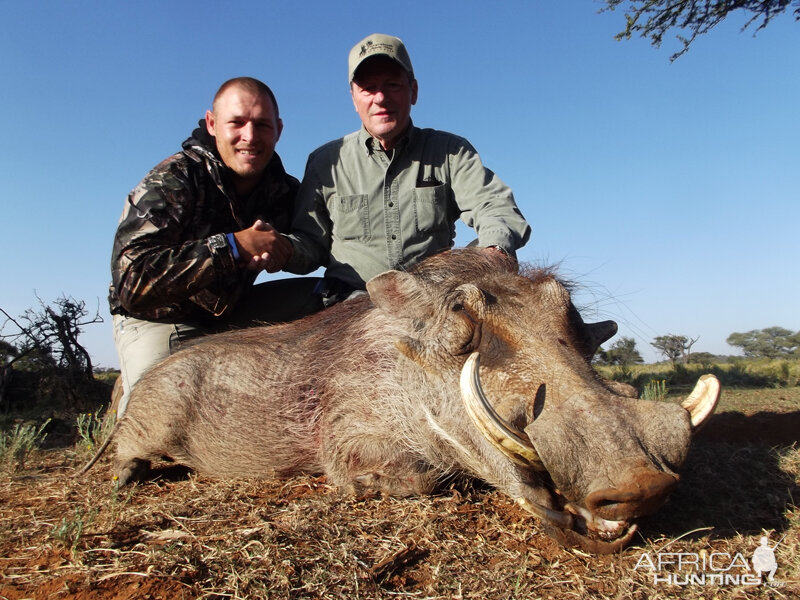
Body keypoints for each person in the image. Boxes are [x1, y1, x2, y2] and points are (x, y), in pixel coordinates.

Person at [109, 77, 321, 417]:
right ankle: (129, 407)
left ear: (278, 129)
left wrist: (286, 249)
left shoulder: (284, 189)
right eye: (236, 122)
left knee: (329, 297)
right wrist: (233, 247)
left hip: (232, 312)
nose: (249, 137)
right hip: (159, 318)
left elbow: (314, 244)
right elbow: (132, 283)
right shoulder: (174, 178)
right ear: (212, 123)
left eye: (262, 125)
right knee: (163, 423)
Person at [286, 33, 531, 304]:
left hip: (434, 302)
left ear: (413, 91)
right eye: (368, 87)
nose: (380, 97)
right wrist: (282, 249)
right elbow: (310, 245)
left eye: (392, 85)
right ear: (354, 99)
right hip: (351, 307)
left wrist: (495, 250)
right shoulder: (324, 162)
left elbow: (494, 207)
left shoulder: (451, 151)